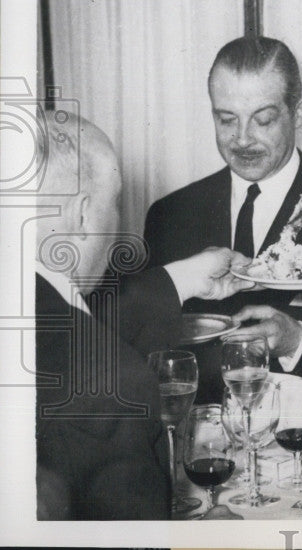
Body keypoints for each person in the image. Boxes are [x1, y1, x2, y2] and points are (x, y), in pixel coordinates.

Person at [143, 36, 302, 398]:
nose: (242, 139)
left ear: (299, 115)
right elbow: (145, 351)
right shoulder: (168, 215)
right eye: (226, 119)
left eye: (263, 120)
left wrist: (297, 341)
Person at [34, 110, 252, 519]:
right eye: (113, 202)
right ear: (80, 214)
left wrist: (185, 278)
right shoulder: (112, 384)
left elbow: (63, 328)